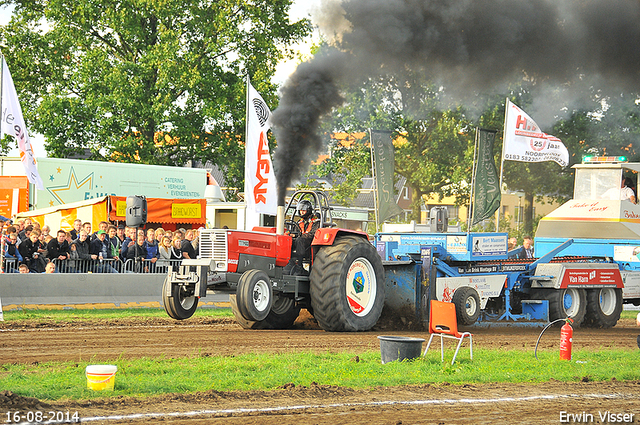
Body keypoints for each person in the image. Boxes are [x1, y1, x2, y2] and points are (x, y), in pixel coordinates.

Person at [284, 200, 320, 275]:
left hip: (311, 244)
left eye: (303, 210)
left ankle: (299, 266)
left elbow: (313, 234)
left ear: (308, 210)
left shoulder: (316, 221)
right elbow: (296, 233)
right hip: (300, 242)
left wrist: (298, 235)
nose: (302, 212)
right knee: (287, 240)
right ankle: (289, 263)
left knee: (299, 240)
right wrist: (291, 235)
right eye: (300, 210)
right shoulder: (300, 222)